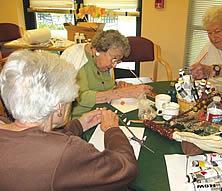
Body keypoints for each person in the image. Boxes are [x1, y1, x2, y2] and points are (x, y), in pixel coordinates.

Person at [0, 50, 138, 191]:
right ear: (59, 107)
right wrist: (112, 129)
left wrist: (79, 124)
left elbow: (35, 140)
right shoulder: (67, 151)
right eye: (70, 101)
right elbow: (125, 168)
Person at [61, 30, 152, 118]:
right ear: (97, 50)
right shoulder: (77, 59)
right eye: (114, 59)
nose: (114, 65)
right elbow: (82, 98)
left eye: (118, 61)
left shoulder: (103, 60)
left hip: (103, 110)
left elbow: (105, 87)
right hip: (81, 118)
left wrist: (117, 86)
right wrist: (124, 92)